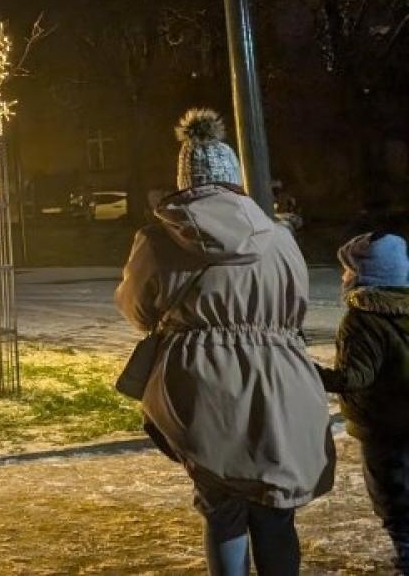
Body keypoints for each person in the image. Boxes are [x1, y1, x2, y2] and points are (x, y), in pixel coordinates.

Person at [115, 109, 335, 576]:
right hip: (279, 382)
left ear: (184, 180)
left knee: (222, 508)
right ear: (236, 180)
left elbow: (136, 310)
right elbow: (296, 309)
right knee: (276, 510)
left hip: (200, 387)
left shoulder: (157, 240)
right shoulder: (279, 237)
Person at [315, 231, 409, 573]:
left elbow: (354, 378)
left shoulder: (362, 318)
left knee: (393, 500)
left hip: (382, 426)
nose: (343, 276)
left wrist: (307, 372)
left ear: (367, 274)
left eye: (349, 269)